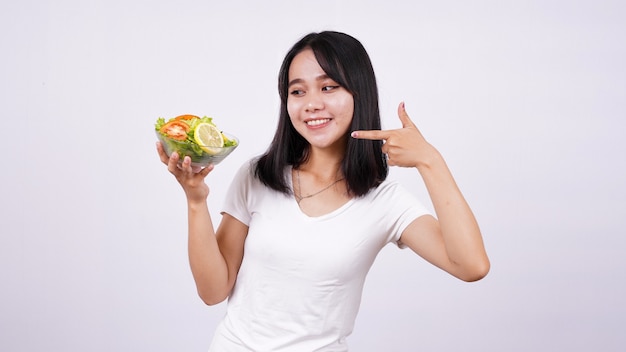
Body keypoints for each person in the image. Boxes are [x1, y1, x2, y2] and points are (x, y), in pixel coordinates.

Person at [156, 31, 489, 352]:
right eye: (297, 92)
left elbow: (471, 266)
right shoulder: (259, 175)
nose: (311, 104)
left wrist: (430, 161)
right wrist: (196, 201)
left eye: (328, 87)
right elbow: (213, 291)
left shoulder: (386, 202)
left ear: (359, 94)